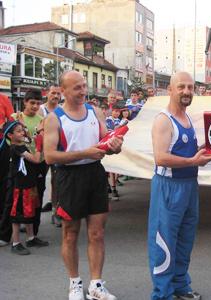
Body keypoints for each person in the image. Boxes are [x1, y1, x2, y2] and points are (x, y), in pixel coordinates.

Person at [44, 70, 123, 300]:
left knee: (97, 233)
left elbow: (106, 140)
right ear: (63, 91)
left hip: (95, 175)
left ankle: (96, 285)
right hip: (69, 178)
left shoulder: (94, 111)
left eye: (83, 85)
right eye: (77, 87)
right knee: (70, 234)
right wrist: (84, 153)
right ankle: (75, 283)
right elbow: (49, 156)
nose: (83, 91)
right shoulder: (53, 118)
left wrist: (115, 144)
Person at [148, 71, 211, 300]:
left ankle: (180, 286)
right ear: (170, 89)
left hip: (189, 185)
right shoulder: (163, 120)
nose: (187, 91)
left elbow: (187, 151)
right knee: (164, 242)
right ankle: (162, 294)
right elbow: (161, 157)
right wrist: (192, 161)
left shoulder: (187, 119)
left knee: (185, 240)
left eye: (190, 87)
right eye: (181, 87)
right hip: (168, 186)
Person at [3, 121, 46, 255]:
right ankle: (16, 243)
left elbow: (28, 138)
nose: (22, 132)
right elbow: (36, 159)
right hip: (20, 186)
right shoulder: (17, 148)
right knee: (18, 213)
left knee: (30, 210)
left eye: (23, 130)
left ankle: (31, 237)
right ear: (10, 135)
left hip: (28, 183)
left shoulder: (21, 145)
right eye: (18, 131)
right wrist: (39, 146)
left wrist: (35, 135)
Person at [39, 85, 62, 218]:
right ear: (47, 93)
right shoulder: (41, 110)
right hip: (41, 152)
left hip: (56, 151)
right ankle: (33, 216)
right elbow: (39, 129)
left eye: (58, 94)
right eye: (53, 93)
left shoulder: (61, 110)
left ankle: (55, 210)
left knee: (56, 181)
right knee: (39, 184)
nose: (55, 96)